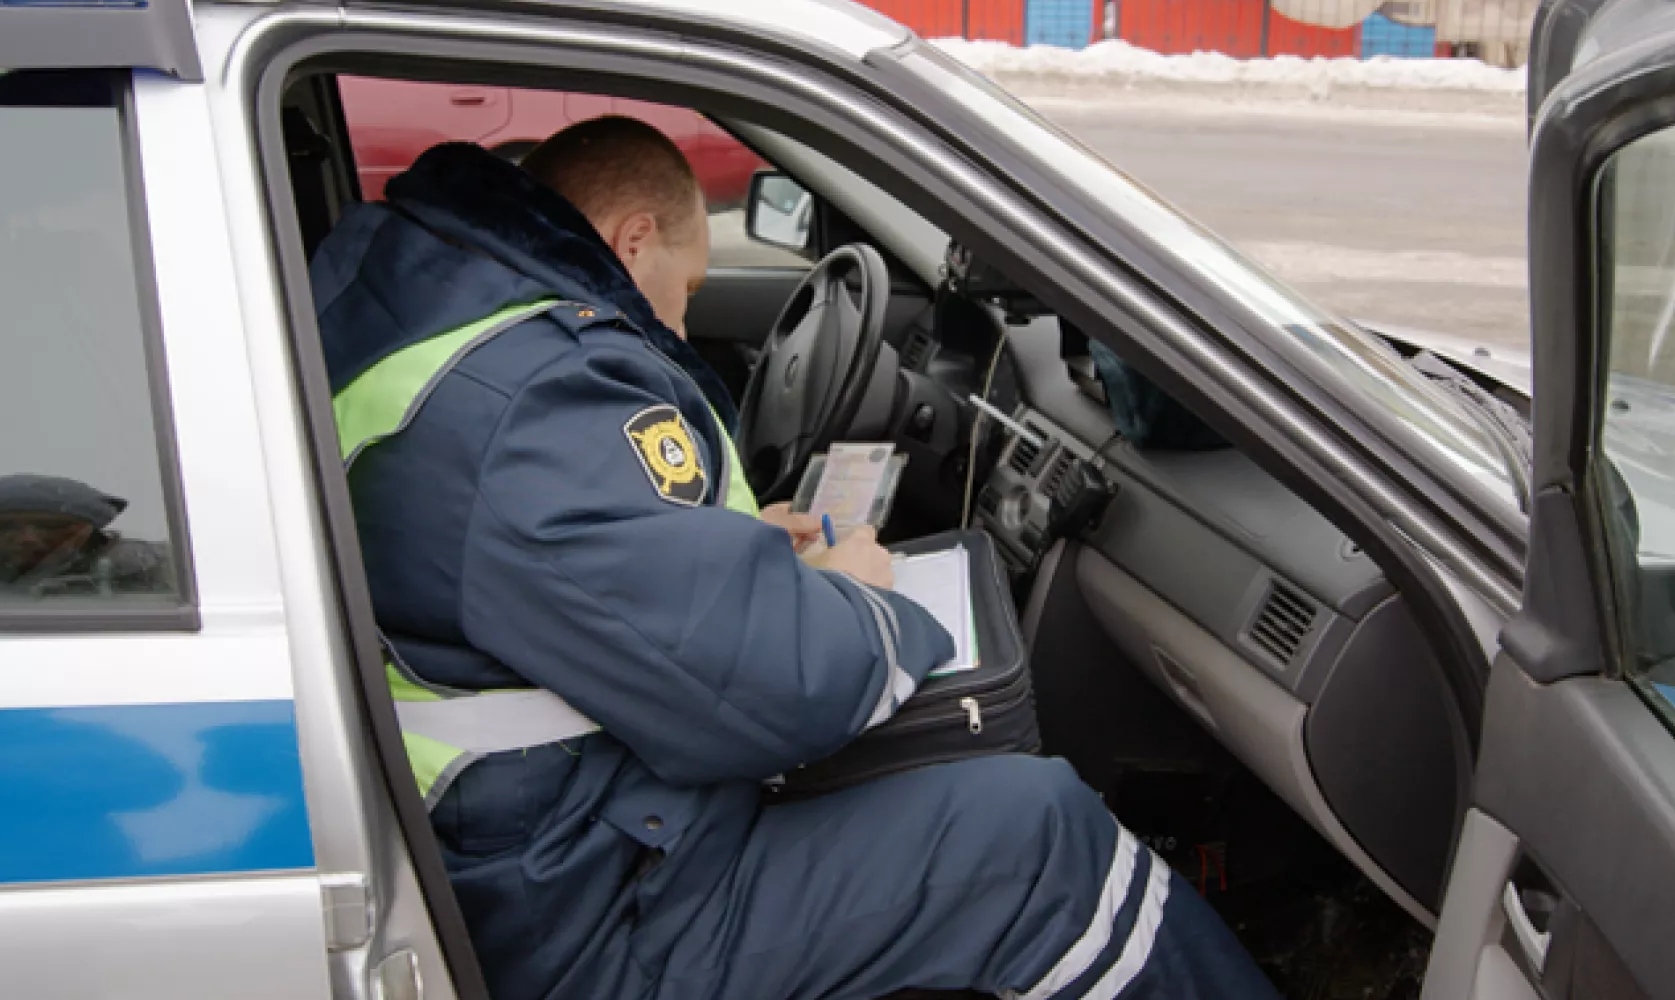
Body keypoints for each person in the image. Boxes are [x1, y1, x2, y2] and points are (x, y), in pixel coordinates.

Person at [310, 116, 1278, 1000]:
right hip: (580, 909)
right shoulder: (529, 391)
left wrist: (716, 548)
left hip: (525, 833)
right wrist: (862, 596)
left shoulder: (429, 319)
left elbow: (530, 559)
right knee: (1037, 834)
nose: (681, 327)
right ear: (631, 239)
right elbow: (781, 691)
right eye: (684, 293)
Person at [0, 474, 171, 597]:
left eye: (51, 525)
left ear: (88, 530)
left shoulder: (151, 569)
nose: (27, 538)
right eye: (5, 527)